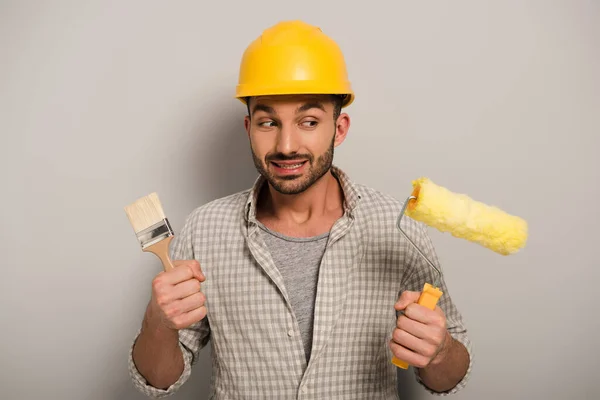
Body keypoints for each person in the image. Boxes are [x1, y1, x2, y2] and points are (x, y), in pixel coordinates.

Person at [128, 20, 472, 399]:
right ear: (248, 127)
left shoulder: (398, 228)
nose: (286, 144)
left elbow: (448, 379)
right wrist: (157, 321)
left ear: (339, 129)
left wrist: (439, 353)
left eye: (308, 121)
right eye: (267, 122)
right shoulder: (204, 229)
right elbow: (158, 382)